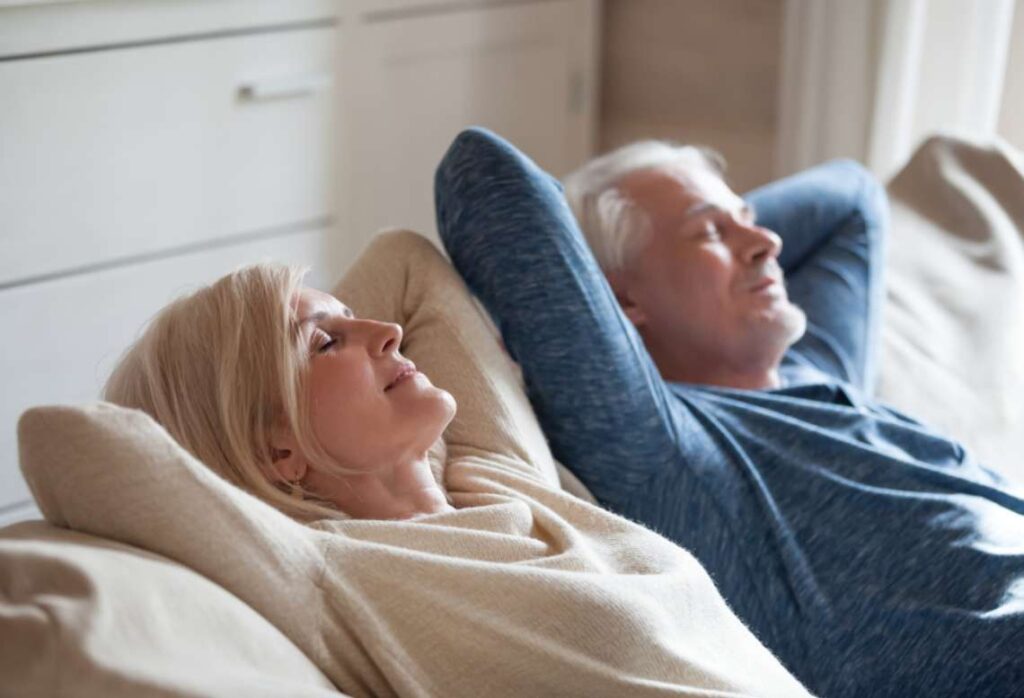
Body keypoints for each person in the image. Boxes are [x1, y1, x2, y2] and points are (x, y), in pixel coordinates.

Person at [435, 127, 1024, 698]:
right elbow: (482, 175)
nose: (768, 243)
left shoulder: (820, 366)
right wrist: (631, 254)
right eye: (709, 233)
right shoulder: (665, 447)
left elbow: (853, 197)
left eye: (750, 218)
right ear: (620, 300)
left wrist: (712, 226)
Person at [102, 230, 811, 696]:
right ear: (274, 449)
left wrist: (294, 345)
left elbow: (406, 262)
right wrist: (223, 386)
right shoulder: (329, 574)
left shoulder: (492, 472)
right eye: (325, 342)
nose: (387, 331)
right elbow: (73, 448)